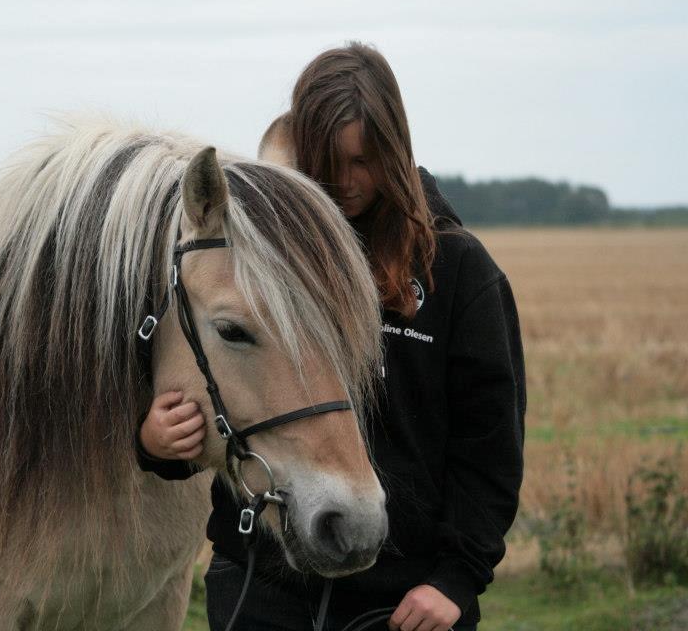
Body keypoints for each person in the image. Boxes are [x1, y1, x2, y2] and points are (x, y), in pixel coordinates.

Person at [137, 41, 525, 631]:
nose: (345, 182)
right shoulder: (262, 262)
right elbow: (224, 386)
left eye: (363, 160)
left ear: (394, 152)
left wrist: (456, 580)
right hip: (258, 593)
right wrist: (158, 444)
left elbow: (489, 444)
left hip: (402, 606)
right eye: (328, 160)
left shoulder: (458, 271)